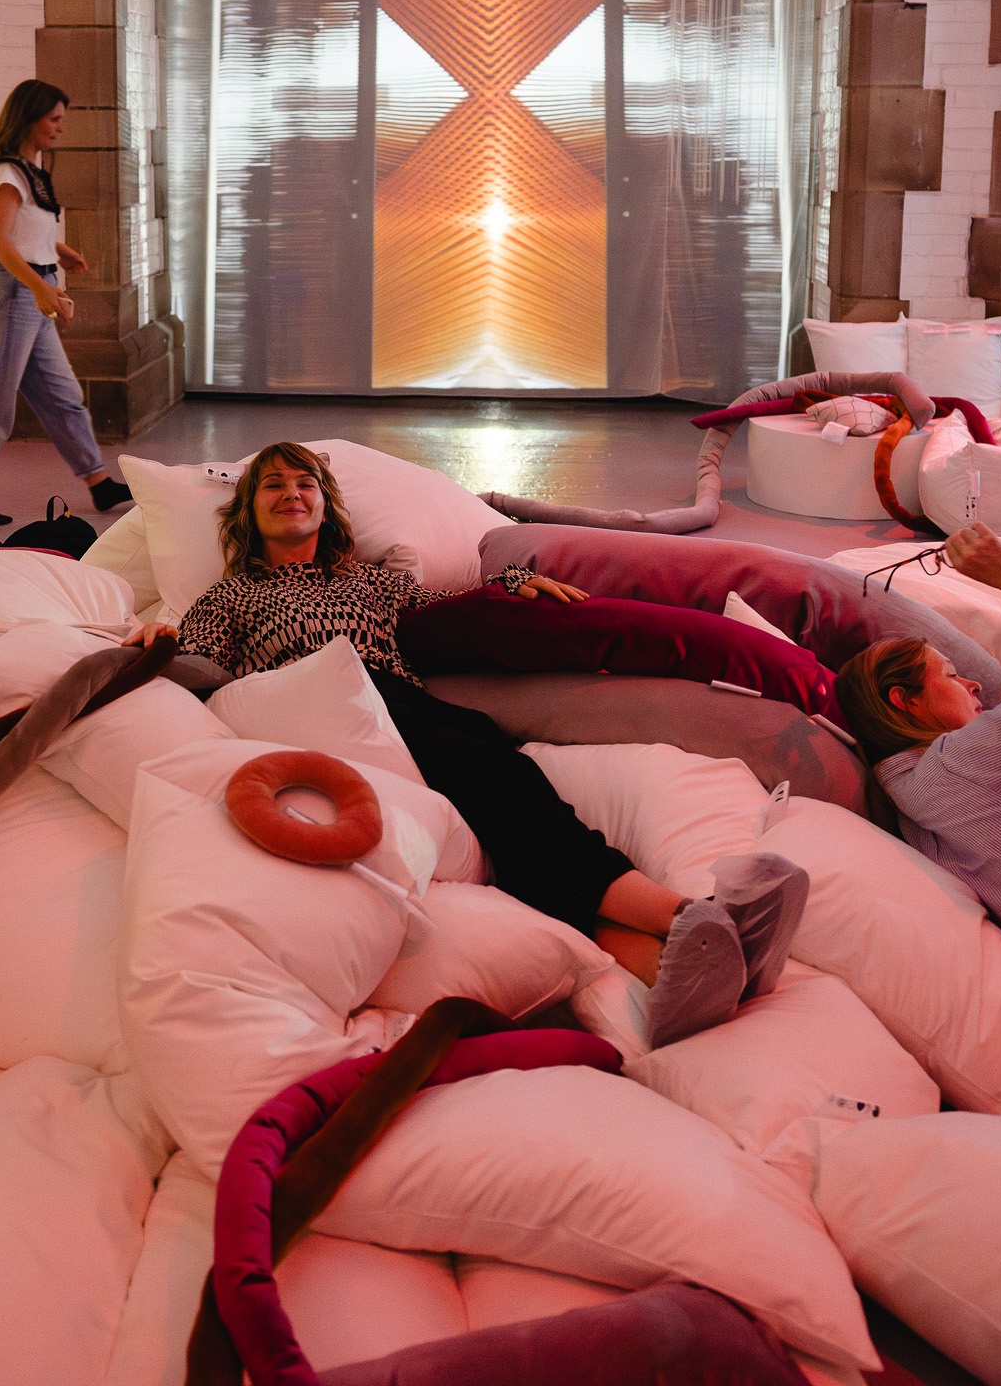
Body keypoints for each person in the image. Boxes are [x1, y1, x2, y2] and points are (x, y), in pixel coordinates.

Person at [133, 441, 808, 1051]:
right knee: (504, 784)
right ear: (247, 513)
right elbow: (196, 662)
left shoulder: (364, 582)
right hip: (326, 709)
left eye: (303, 484)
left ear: (324, 506)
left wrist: (515, 587)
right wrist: (151, 646)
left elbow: (446, 599)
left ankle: (671, 974)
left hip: (406, 710)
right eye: (272, 486)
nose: (290, 494)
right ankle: (694, 917)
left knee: (512, 816)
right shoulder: (230, 595)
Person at [0, 80, 131, 540]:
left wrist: (57, 251)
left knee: (61, 395)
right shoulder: (6, 174)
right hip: (11, 293)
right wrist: (42, 289)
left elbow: (23, 232)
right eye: (54, 119)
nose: (61, 128)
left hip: (29, 289)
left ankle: (99, 482)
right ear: (28, 118)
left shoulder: (28, 171)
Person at [837, 636, 1001, 930]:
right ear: (906, 700)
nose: (974, 685)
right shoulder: (951, 762)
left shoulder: (906, 792)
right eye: (951, 675)